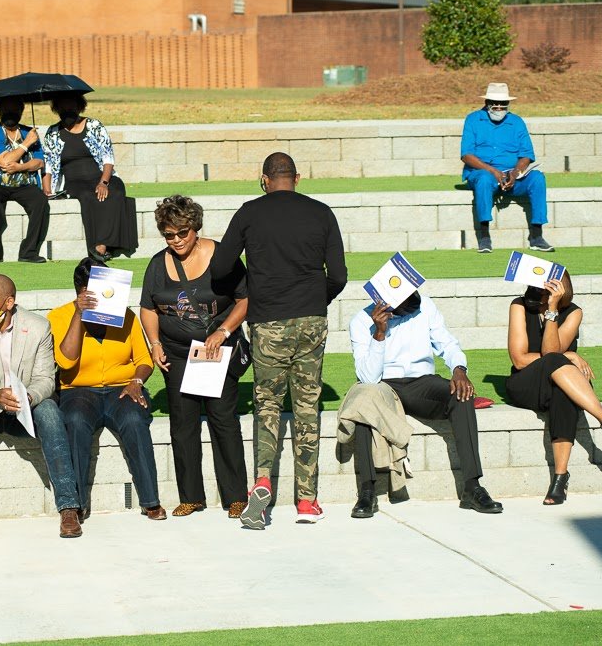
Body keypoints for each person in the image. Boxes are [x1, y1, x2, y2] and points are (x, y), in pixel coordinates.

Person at [210, 152, 347, 529]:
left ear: (264, 180)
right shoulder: (321, 213)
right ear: (297, 178)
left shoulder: (250, 212)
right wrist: (316, 299)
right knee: (307, 406)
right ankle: (307, 501)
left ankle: (263, 482)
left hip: (268, 321)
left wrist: (253, 281)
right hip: (311, 318)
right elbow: (338, 274)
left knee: (267, 405)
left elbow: (220, 266)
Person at [139, 196, 249, 518]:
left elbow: (244, 300)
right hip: (177, 354)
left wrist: (223, 332)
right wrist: (155, 343)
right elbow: (149, 308)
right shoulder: (158, 264)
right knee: (183, 426)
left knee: (223, 422)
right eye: (169, 235)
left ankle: (235, 496)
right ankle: (191, 496)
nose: (176, 241)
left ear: (195, 228)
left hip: (216, 351)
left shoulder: (221, 257)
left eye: (182, 233)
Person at [348, 291, 504, 518]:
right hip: (384, 386)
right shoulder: (361, 321)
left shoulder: (426, 307)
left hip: (422, 382)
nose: (411, 312)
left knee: (461, 395)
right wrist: (380, 333)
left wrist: (459, 369)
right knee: (363, 404)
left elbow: (447, 343)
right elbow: (368, 377)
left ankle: (472, 487)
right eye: (405, 308)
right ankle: (367, 492)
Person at [0, 275, 82, 540]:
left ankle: (69, 507)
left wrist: (29, 397)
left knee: (50, 411)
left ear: (9, 302)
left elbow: (46, 380)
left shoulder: (38, 327)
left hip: (26, 408)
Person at [49, 258, 165, 521]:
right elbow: (65, 362)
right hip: (78, 390)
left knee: (135, 419)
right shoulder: (58, 316)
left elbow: (145, 360)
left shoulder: (126, 315)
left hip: (122, 389)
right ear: (79, 291)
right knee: (75, 421)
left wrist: (137, 381)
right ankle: (76, 504)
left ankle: (150, 500)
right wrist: (79, 315)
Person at [506, 273, 602, 505]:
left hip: (564, 382)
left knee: (562, 392)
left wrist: (552, 311)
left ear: (558, 291)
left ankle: (559, 478)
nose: (534, 294)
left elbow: (551, 350)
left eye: (542, 291)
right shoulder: (518, 306)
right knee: (557, 360)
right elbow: (520, 360)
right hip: (525, 383)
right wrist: (568, 355)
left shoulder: (574, 312)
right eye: (533, 288)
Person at [41, 92, 137, 262]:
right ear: (56, 109)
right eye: (63, 107)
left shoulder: (94, 126)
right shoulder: (53, 132)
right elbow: (48, 165)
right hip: (74, 182)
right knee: (87, 196)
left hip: (101, 176)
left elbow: (108, 158)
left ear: (79, 106)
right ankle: (100, 246)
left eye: (71, 106)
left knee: (115, 191)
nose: (67, 110)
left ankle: (101, 245)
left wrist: (104, 182)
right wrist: (47, 189)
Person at [461, 82, 553, 254]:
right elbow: (466, 155)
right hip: (484, 174)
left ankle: (536, 236)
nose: (499, 107)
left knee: (537, 178)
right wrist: (493, 171)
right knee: (483, 179)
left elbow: (526, 154)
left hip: (511, 175)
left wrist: (515, 172)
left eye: (503, 104)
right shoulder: (473, 119)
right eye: (495, 103)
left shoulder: (517, 122)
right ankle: (484, 237)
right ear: (487, 102)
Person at [0, 98, 49, 265]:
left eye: (15, 110)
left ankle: (29, 252)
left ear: (21, 113)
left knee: (40, 201)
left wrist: (20, 168)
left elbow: (39, 162)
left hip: (24, 184)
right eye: (6, 110)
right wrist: (27, 143)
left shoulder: (29, 132)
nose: (11, 114)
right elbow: (5, 161)